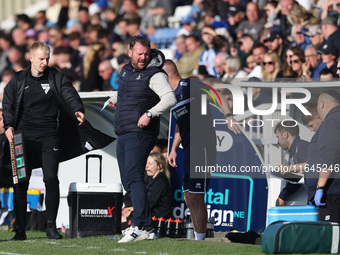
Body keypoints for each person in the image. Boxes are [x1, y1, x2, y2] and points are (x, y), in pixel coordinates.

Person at [2, 41, 114, 240]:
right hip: (22, 137)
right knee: (20, 182)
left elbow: (70, 94)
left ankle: (51, 227)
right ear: (31, 58)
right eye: (41, 59)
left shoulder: (56, 77)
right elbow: (8, 104)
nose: (45, 62)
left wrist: (77, 109)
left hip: (49, 136)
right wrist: (9, 125)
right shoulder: (18, 79)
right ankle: (19, 229)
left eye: (47, 58)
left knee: (51, 179)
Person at [109, 35, 176, 243]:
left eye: (146, 53)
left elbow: (170, 98)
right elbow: (127, 94)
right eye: (139, 53)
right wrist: (114, 99)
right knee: (128, 179)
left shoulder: (155, 74)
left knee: (134, 176)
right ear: (130, 53)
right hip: (123, 130)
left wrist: (150, 114)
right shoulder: (126, 71)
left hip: (141, 132)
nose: (143, 57)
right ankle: (147, 227)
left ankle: (138, 225)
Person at [163, 59, 240, 241]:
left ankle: (200, 239)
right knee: (189, 197)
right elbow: (179, 126)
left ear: (166, 75)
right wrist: (173, 148)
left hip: (203, 146)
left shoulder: (189, 85)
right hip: (188, 148)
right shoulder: (172, 96)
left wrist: (228, 116)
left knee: (197, 195)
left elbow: (217, 92)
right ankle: (199, 239)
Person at [314, 90, 340, 223]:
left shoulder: (332, 121)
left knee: (332, 239)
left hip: (334, 192)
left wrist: (320, 187)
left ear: (322, 104)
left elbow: (328, 156)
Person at [274, 121, 309, 206]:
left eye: (278, 137)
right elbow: (297, 179)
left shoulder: (302, 146)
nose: (278, 141)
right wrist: (282, 196)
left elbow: (311, 166)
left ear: (285, 134)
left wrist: (288, 168)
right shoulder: (293, 152)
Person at [145, 152, 172, 220]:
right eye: (147, 163)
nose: (146, 166)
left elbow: (148, 203)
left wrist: (131, 216)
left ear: (159, 166)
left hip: (158, 220)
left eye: (150, 164)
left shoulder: (160, 182)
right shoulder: (156, 180)